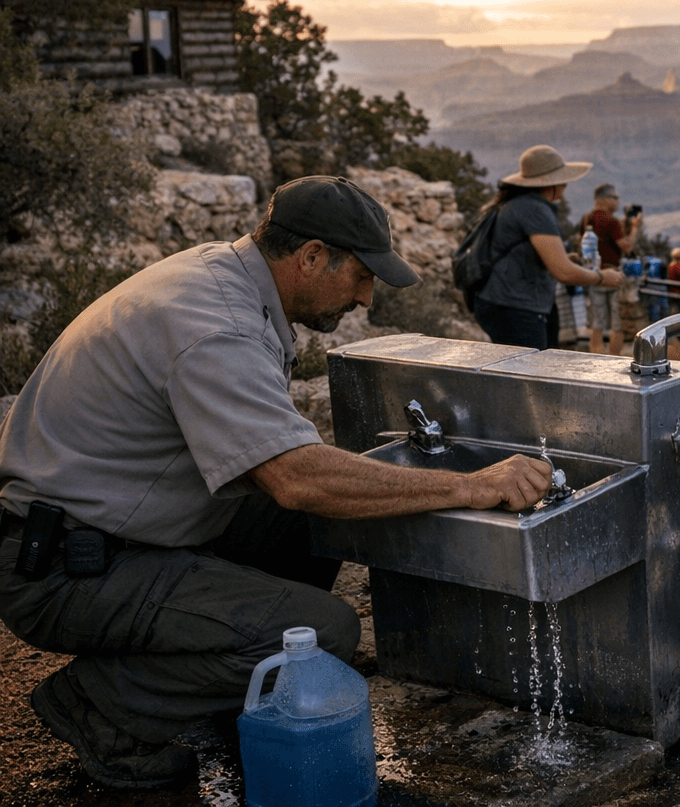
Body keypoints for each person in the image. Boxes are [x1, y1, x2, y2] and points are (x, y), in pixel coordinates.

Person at [0, 176, 554, 790]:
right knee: (323, 633)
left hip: (106, 528)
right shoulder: (217, 326)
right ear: (312, 255)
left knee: (315, 515)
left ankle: (224, 665)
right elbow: (295, 478)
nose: (367, 298)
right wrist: (470, 486)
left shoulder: (225, 274)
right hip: (64, 568)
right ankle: (100, 705)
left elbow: (291, 473)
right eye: (362, 276)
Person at [473, 146, 623, 349]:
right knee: (530, 375)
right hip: (517, 307)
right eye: (562, 180)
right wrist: (602, 278)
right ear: (550, 183)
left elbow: (531, 255)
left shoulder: (517, 203)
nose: (565, 186)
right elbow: (562, 272)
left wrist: (562, 257)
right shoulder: (535, 210)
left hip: (504, 303)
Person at [579, 184, 643, 355]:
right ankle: (613, 360)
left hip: (594, 275)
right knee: (618, 323)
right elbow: (627, 247)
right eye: (614, 198)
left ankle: (596, 357)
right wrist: (635, 227)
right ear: (605, 199)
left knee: (597, 323)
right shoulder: (611, 221)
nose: (617, 201)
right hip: (612, 275)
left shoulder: (587, 218)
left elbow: (581, 243)